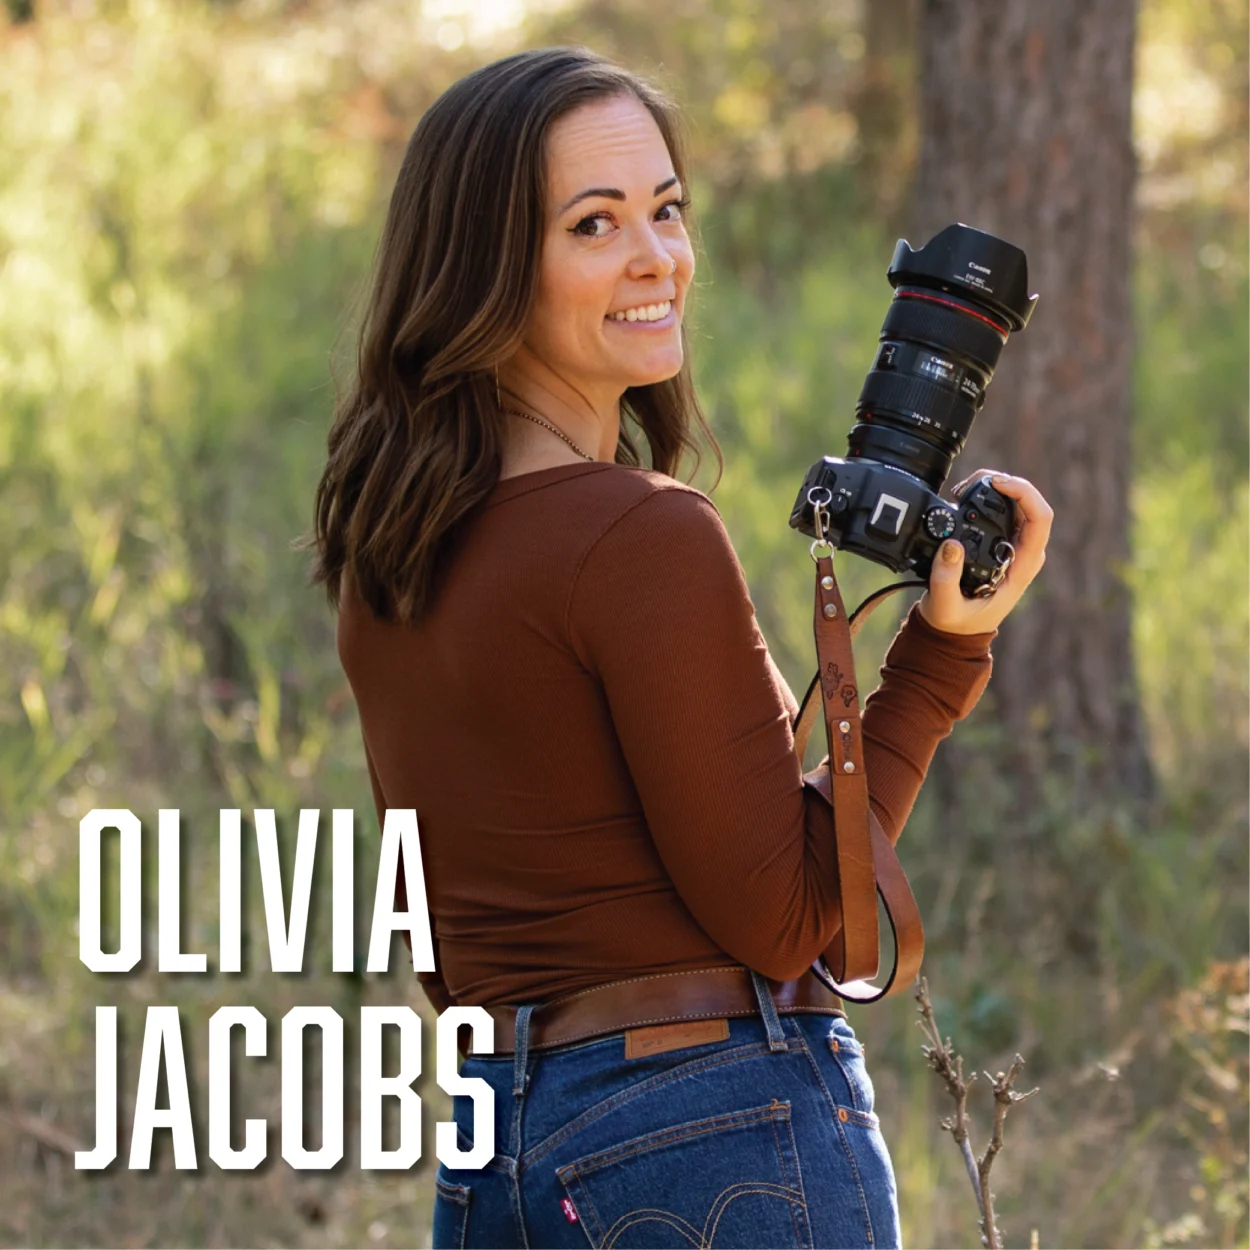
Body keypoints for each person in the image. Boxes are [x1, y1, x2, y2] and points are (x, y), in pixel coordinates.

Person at [310, 46, 1054, 1250]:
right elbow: (789, 918)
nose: (656, 256)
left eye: (666, 210)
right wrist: (940, 654)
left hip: (492, 1141)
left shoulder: (389, 553)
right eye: (593, 224)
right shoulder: (637, 529)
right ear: (489, 266)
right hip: (709, 1134)